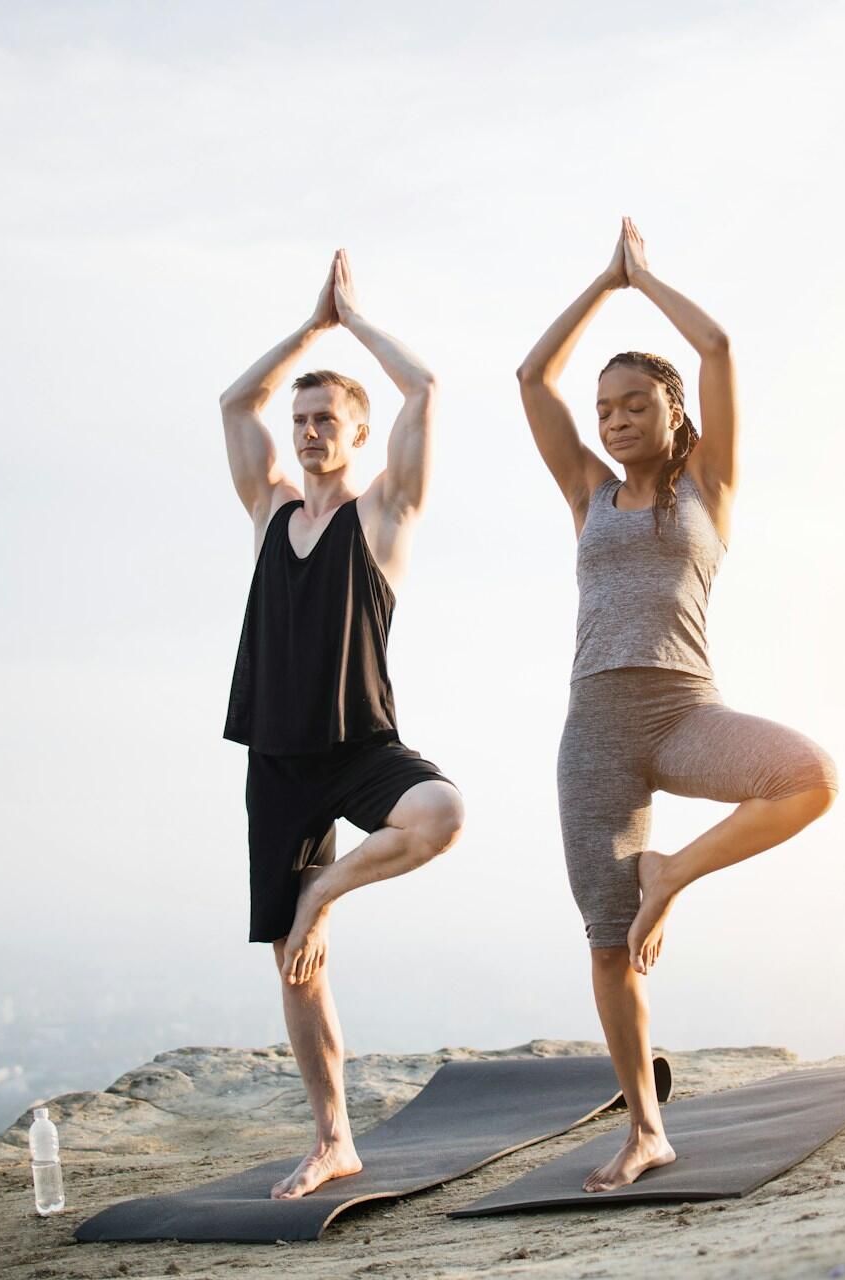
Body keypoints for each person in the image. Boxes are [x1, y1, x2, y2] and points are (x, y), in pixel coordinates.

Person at [516, 218, 839, 1192]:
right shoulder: (586, 491)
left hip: (686, 709)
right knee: (609, 943)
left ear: (671, 409)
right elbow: (532, 381)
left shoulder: (709, 486)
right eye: (603, 407)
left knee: (810, 775)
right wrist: (596, 286)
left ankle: (675, 873)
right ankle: (646, 1127)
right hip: (596, 728)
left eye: (631, 404)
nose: (612, 420)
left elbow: (720, 348)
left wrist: (644, 281)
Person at [219, 249, 466, 1198]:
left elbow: (426, 386)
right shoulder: (271, 509)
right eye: (305, 419)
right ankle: (333, 1138)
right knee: (293, 967)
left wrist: (353, 323)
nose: (311, 430)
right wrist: (306, 331)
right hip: (279, 758)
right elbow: (236, 407)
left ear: (360, 435)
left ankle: (324, 893)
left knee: (440, 815)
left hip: (360, 744)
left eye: (329, 420)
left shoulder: (385, 514)